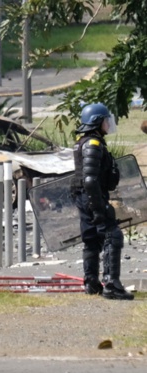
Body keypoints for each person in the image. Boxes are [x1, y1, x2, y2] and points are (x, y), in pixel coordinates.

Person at [71, 103, 133, 300]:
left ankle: (91, 283)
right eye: (106, 120)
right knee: (112, 236)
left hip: (84, 197)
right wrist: (99, 208)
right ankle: (111, 285)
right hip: (92, 196)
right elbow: (90, 179)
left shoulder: (84, 141)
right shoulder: (93, 144)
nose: (108, 124)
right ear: (97, 122)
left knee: (92, 239)